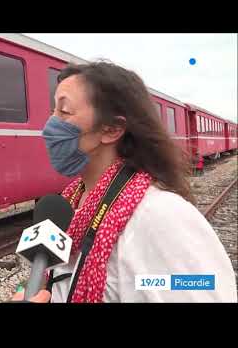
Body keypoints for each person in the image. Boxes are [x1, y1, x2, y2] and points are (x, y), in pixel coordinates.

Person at [12, 61, 237, 303]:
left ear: (111, 129)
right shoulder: (71, 205)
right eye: (52, 111)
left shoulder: (160, 217)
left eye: (64, 112)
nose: (48, 128)